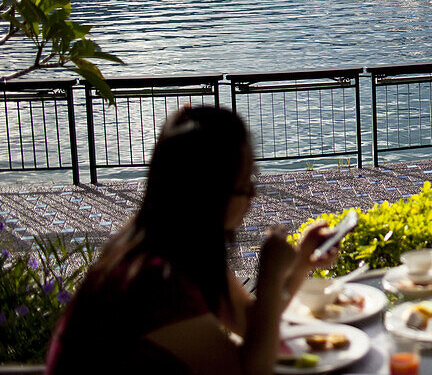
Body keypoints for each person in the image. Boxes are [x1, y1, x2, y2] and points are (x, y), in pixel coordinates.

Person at [46, 106, 341, 374]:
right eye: (242, 183)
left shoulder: (174, 247)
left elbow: (251, 323)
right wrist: (268, 275)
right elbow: (251, 369)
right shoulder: (155, 279)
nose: (253, 193)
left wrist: (302, 262)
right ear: (206, 193)